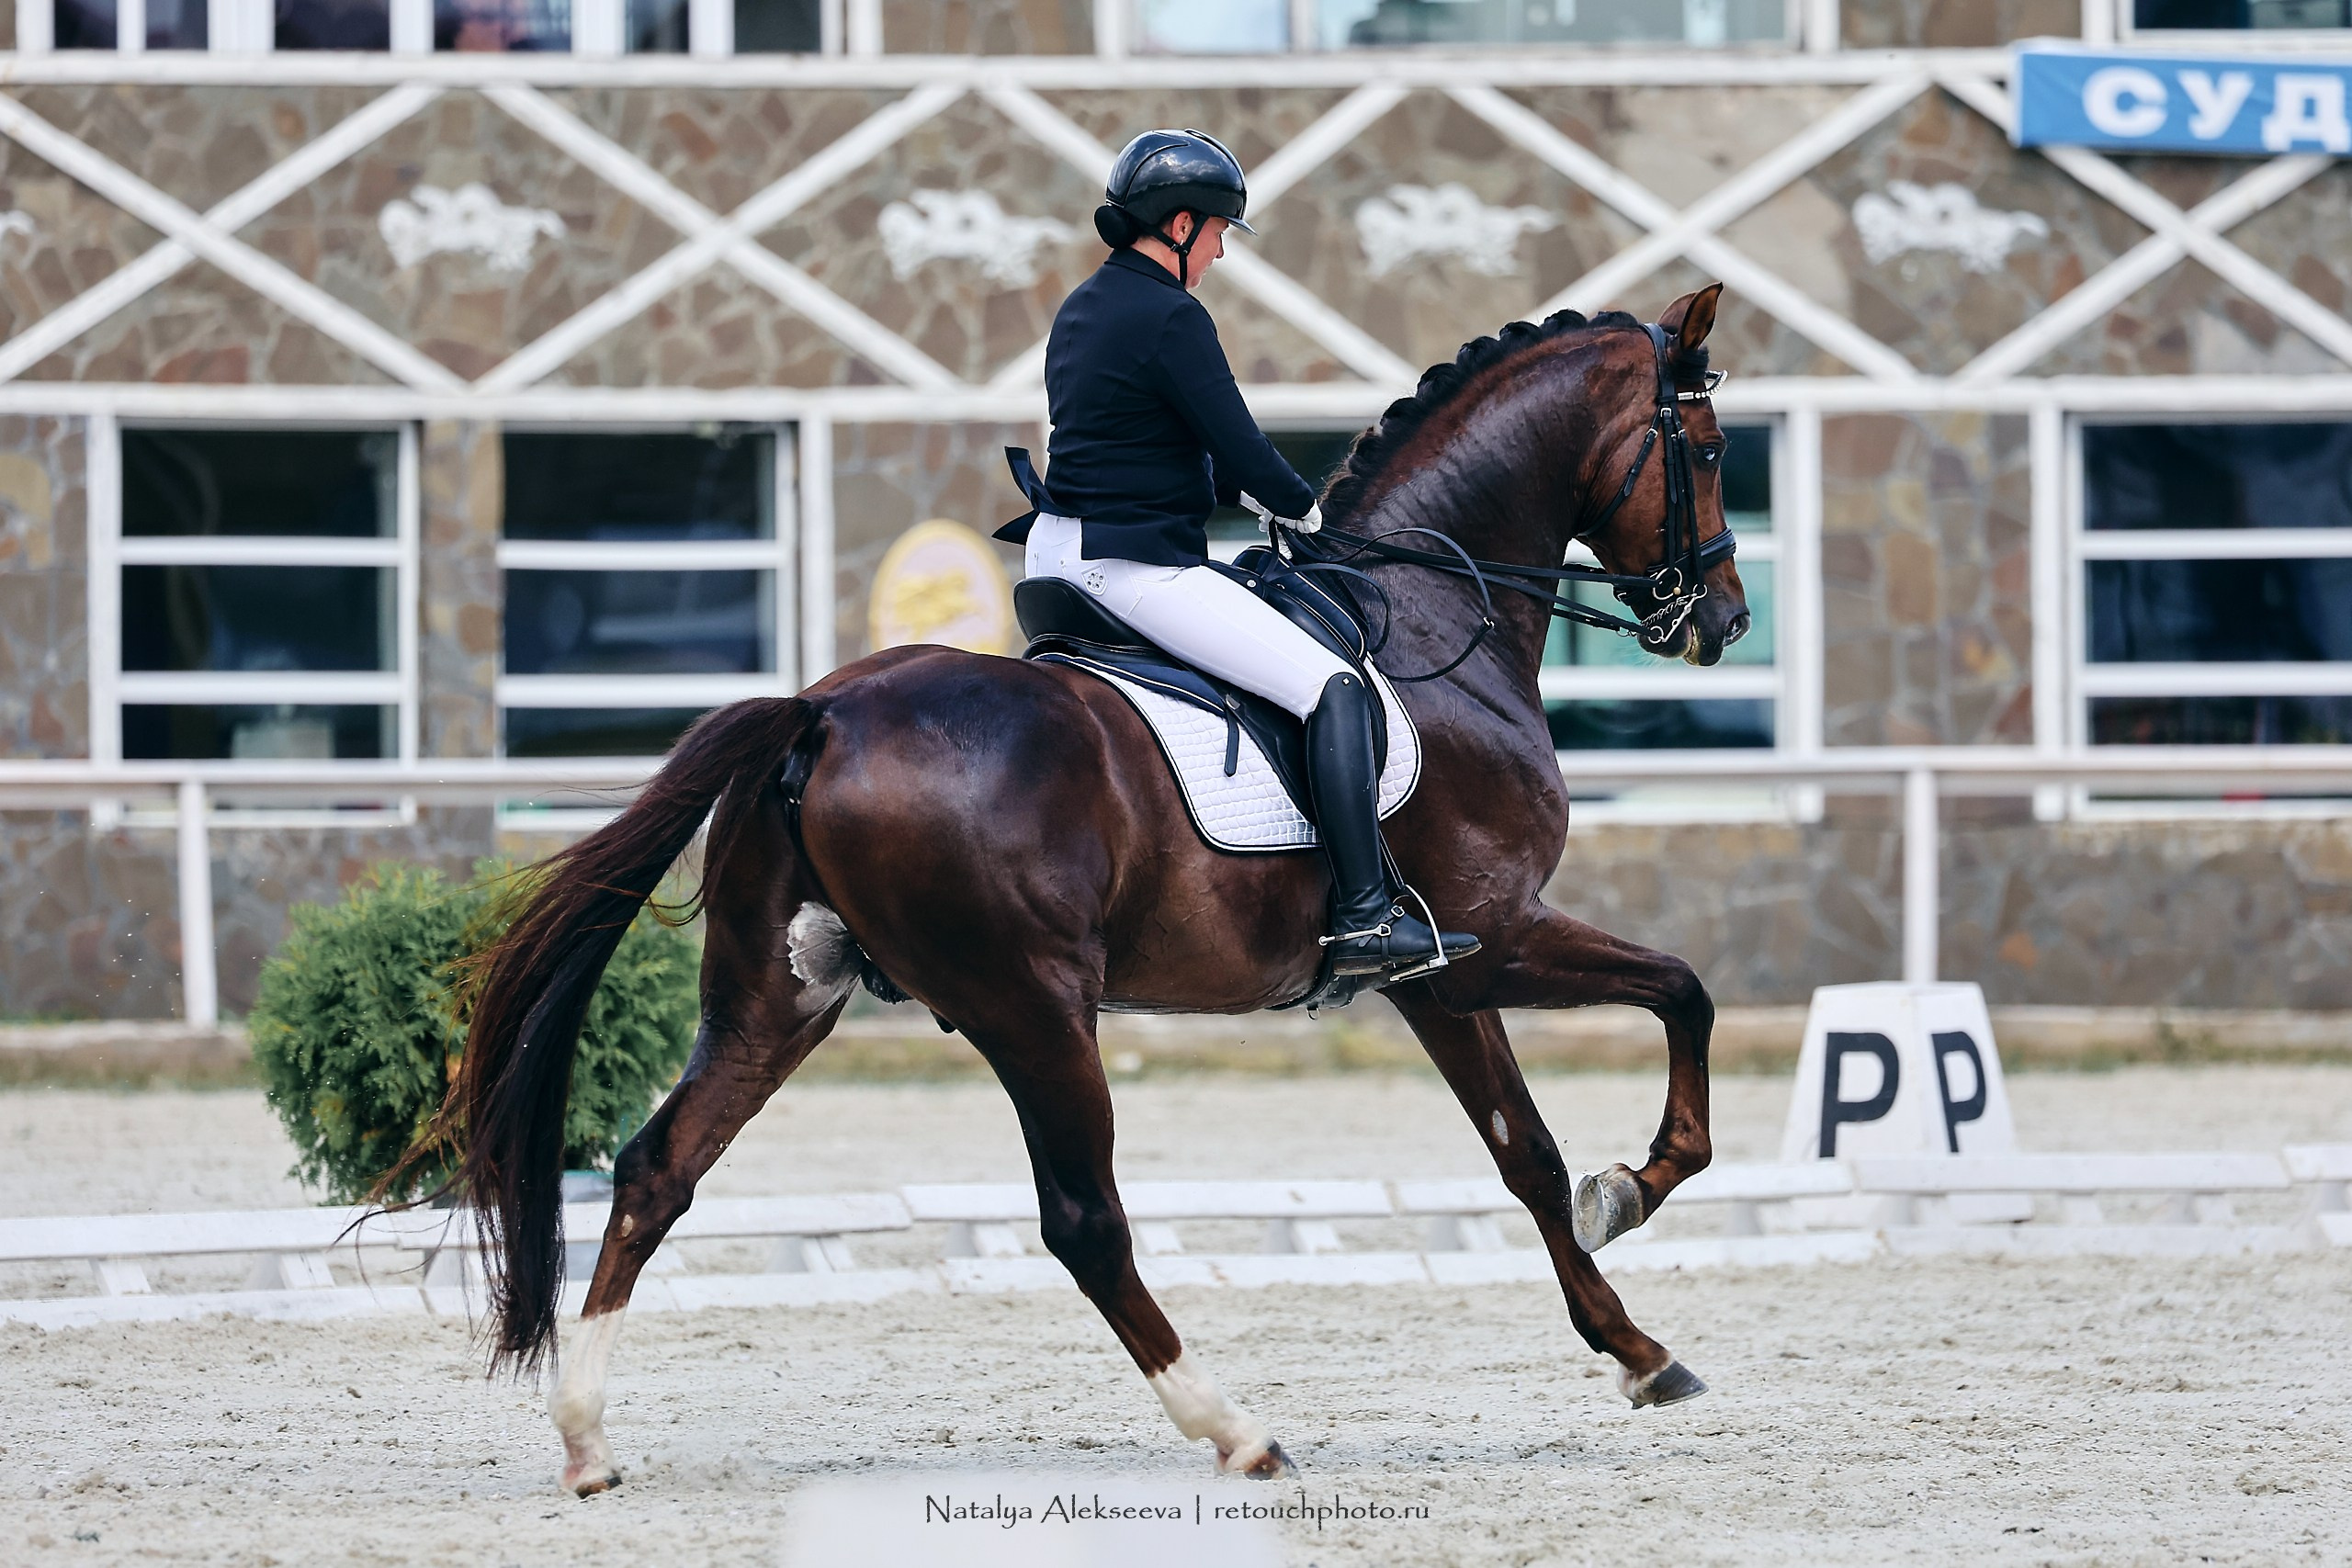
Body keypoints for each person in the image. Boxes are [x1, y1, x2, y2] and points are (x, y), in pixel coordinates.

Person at [996, 129, 1477, 984]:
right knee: (1332, 686)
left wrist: (1237, 490)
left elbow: (1144, 445)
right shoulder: (1173, 316)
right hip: (1133, 567)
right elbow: (1241, 444)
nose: (1220, 252)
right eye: (1218, 232)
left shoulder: (1087, 304)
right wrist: (1303, 507)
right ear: (1180, 225)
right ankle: (1366, 915)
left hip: (1059, 558)